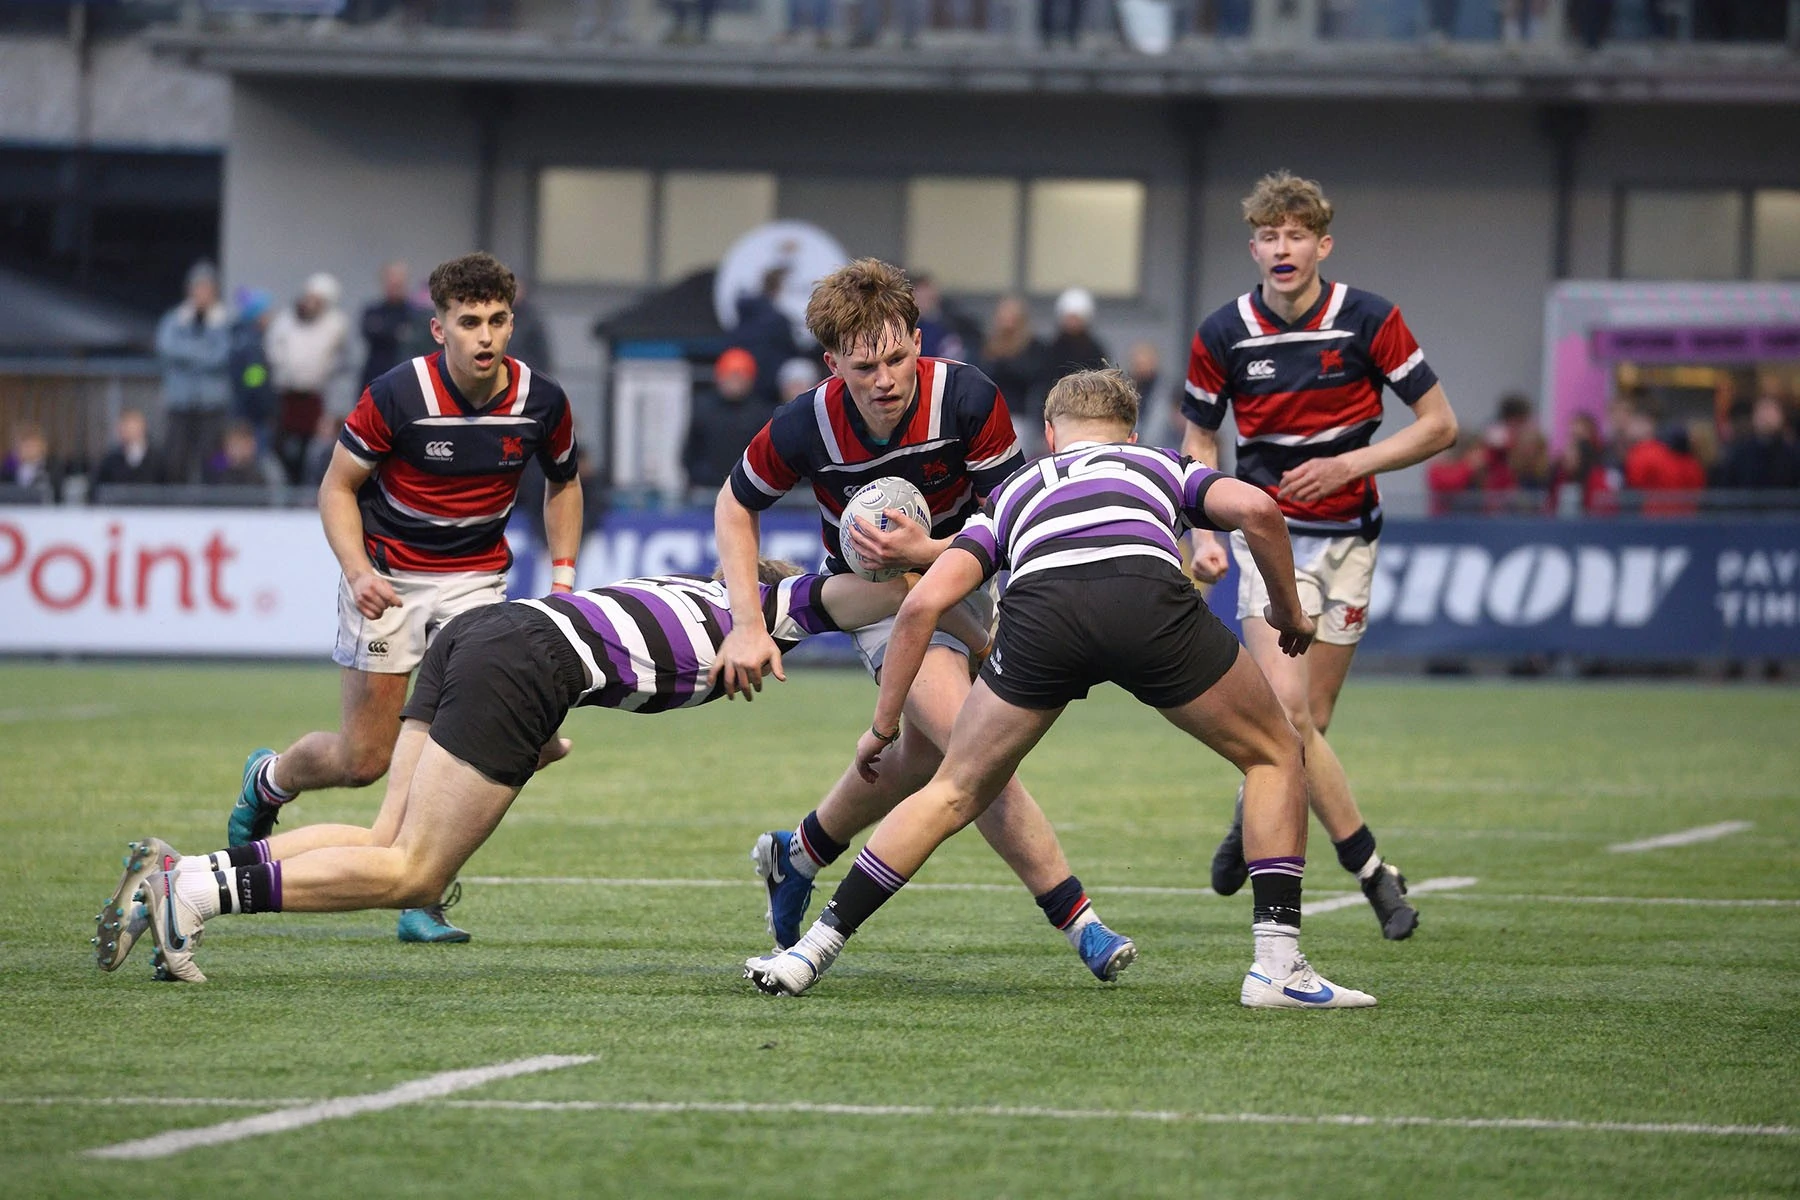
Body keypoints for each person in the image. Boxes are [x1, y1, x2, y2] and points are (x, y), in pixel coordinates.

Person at [746, 368, 1374, 1008]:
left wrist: (881, 728)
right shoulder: (1156, 463)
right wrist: (1289, 612)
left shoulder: (1016, 492)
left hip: (1042, 616)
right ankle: (1276, 967)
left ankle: (810, 951)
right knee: (1275, 752)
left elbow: (919, 606)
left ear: (1049, 435)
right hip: (1146, 601)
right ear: (1130, 432)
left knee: (956, 789)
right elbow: (1258, 509)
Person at [97, 562, 988, 982]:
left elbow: (605, 647)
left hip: (490, 638)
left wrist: (530, 732)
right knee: (416, 873)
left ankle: (188, 876)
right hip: (523, 665)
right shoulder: (780, 603)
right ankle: (196, 898)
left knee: (384, 839)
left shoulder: (684, 588)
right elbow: (903, 590)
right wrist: (975, 573)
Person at [715, 258, 1137, 983]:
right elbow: (734, 505)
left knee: (921, 756)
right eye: (862, 367)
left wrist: (932, 549)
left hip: (965, 579)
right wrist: (748, 625)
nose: (883, 379)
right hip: (882, 601)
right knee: (978, 752)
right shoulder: (807, 420)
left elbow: (1009, 520)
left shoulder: (968, 398)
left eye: (897, 357)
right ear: (831, 363)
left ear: (918, 337)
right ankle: (1079, 920)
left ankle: (799, 853)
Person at [228, 252, 584, 945]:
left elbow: (564, 482)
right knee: (364, 761)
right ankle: (270, 778)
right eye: (470, 321)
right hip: (389, 579)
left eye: (499, 320)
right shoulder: (397, 396)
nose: (486, 336)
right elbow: (335, 488)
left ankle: (422, 892)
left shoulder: (542, 402)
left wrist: (565, 578)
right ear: (438, 328)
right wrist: (358, 570)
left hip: (480, 585)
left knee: (477, 750)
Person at [1181, 171, 1457, 940]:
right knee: (1292, 714)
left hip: (1352, 537)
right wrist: (1205, 531)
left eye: (1295, 235)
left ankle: (1250, 810)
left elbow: (1439, 425)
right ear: (1254, 247)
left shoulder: (1370, 320)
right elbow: (1200, 436)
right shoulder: (1223, 332)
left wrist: (1348, 466)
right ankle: (1372, 871)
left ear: (1321, 245)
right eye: (1268, 236)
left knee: (1308, 724)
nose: (1282, 248)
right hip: (1271, 540)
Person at [267, 273, 352, 484]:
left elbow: (339, 361)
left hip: (317, 396)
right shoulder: (286, 320)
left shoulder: (336, 325)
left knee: (315, 449)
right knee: (282, 446)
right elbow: (273, 350)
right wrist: (288, 370)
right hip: (288, 393)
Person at [155, 260, 233, 485]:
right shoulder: (174, 320)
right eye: (198, 287)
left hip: (213, 403)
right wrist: (203, 353)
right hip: (180, 402)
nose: (202, 293)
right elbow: (166, 348)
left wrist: (187, 355)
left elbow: (223, 356)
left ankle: (216, 496)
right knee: (175, 456)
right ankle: (174, 501)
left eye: (207, 288)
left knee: (215, 457)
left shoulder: (224, 321)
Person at [683, 347, 779, 498]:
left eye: (741, 377)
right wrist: (703, 478)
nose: (735, 383)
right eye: (730, 376)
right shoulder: (703, 409)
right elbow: (690, 454)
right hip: (708, 492)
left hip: (749, 492)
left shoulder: (762, 414)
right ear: (719, 377)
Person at [359, 262, 430, 387]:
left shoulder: (415, 314)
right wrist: (397, 332)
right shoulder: (373, 310)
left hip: (403, 377)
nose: (394, 286)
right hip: (374, 374)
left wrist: (384, 329)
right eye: (391, 281)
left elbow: (417, 340)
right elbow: (369, 332)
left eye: (398, 283)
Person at [90, 409, 167, 492]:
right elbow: (97, 488)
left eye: (129, 426)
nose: (125, 430)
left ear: (142, 427)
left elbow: (169, 488)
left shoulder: (158, 459)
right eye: (122, 426)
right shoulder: (110, 460)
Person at [202, 421, 283, 488]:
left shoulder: (265, 466)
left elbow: (276, 497)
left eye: (245, 444)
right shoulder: (217, 463)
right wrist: (232, 462)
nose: (241, 448)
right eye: (235, 444)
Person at [0, 422, 60, 501]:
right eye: (24, 445)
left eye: (32, 445)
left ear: (42, 446)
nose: (28, 450)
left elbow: (58, 495)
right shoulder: (8, 468)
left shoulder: (54, 468)